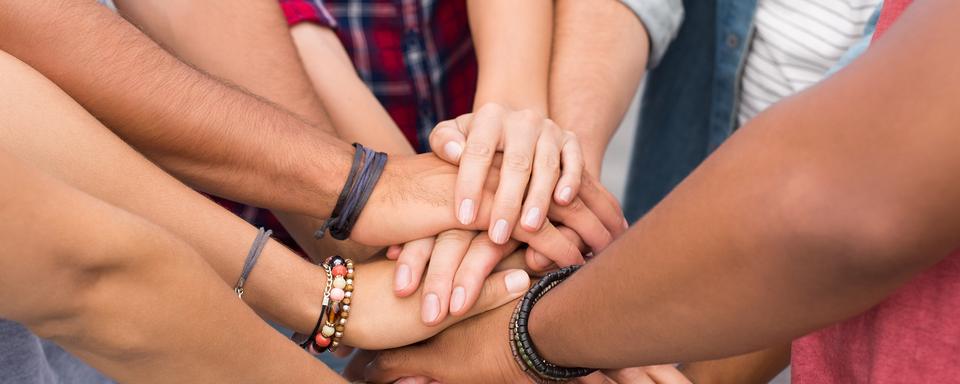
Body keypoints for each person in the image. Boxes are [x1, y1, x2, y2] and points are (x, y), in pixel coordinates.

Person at [365, 1, 960, 383]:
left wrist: (527, 339)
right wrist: (556, 174)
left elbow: (835, 208)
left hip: (812, 318)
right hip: (633, 283)